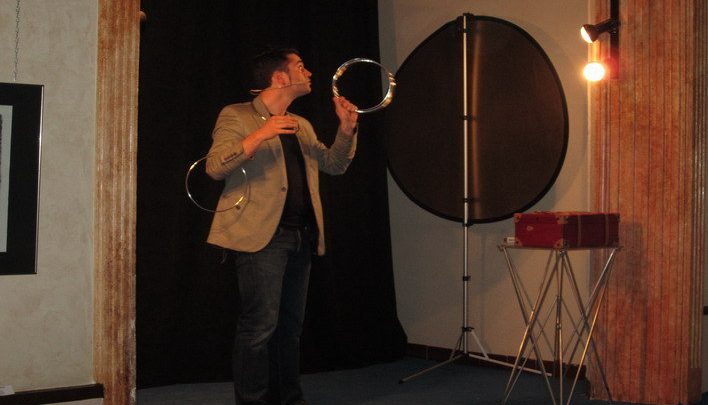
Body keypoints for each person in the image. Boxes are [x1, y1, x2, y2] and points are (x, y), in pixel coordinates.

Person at [205, 48, 359, 405]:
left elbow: (334, 164)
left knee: (290, 329)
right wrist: (262, 133)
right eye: (301, 67)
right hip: (262, 239)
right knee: (259, 328)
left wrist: (346, 129)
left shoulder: (301, 124)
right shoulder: (237, 115)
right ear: (279, 77)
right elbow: (214, 167)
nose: (309, 72)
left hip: (300, 237)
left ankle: (289, 399)